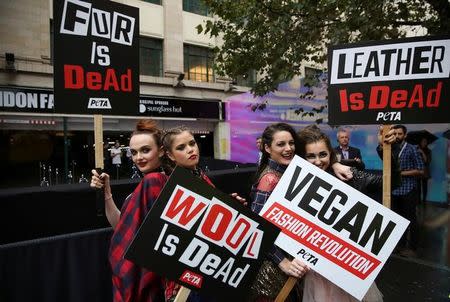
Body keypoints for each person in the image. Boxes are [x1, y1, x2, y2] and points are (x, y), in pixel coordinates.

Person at [248, 123, 353, 301]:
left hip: (296, 266)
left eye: (291, 143)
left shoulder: (291, 171)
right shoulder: (270, 179)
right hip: (274, 271)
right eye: (281, 144)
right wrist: (283, 262)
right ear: (267, 148)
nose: (288, 148)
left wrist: (334, 163)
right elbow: (257, 228)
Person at [297, 124, 398, 302]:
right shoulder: (294, 182)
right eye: (310, 156)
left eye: (323, 154)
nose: (318, 161)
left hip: (349, 267)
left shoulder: (347, 175)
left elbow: (393, 182)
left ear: (330, 153)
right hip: (317, 270)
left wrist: (386, 150)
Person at [91, 119, 167, 301]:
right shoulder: (148, 182)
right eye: (134, 152)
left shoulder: (154, 181)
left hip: (150, 281)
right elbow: (121, 226)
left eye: (145, 150)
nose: (138, 157)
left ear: (162, 151)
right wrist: (107, 193)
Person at [379, 124, 424, 257]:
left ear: (405, 135)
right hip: (394, 190)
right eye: (395, 133)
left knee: (411, 219)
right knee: (397, 220)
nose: (397, 136)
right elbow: (382, 155)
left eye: (399, 134)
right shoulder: (390, 148)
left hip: (408, 189)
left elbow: (421, 170)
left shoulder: (412, 149)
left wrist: (400, 174)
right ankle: (399, 245)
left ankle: (413, 248)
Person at [417, 137, 432, 204]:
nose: (424, 143)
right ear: (420, 142)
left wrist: (422, 152)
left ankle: (424, 200)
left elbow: (427, 161)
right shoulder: (416, 150)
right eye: (423, 141)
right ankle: (418, 200)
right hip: (418, 171)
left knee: (424, 186)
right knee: (418, 187)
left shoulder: (428, 151)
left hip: (425, 171)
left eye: (425, 142)